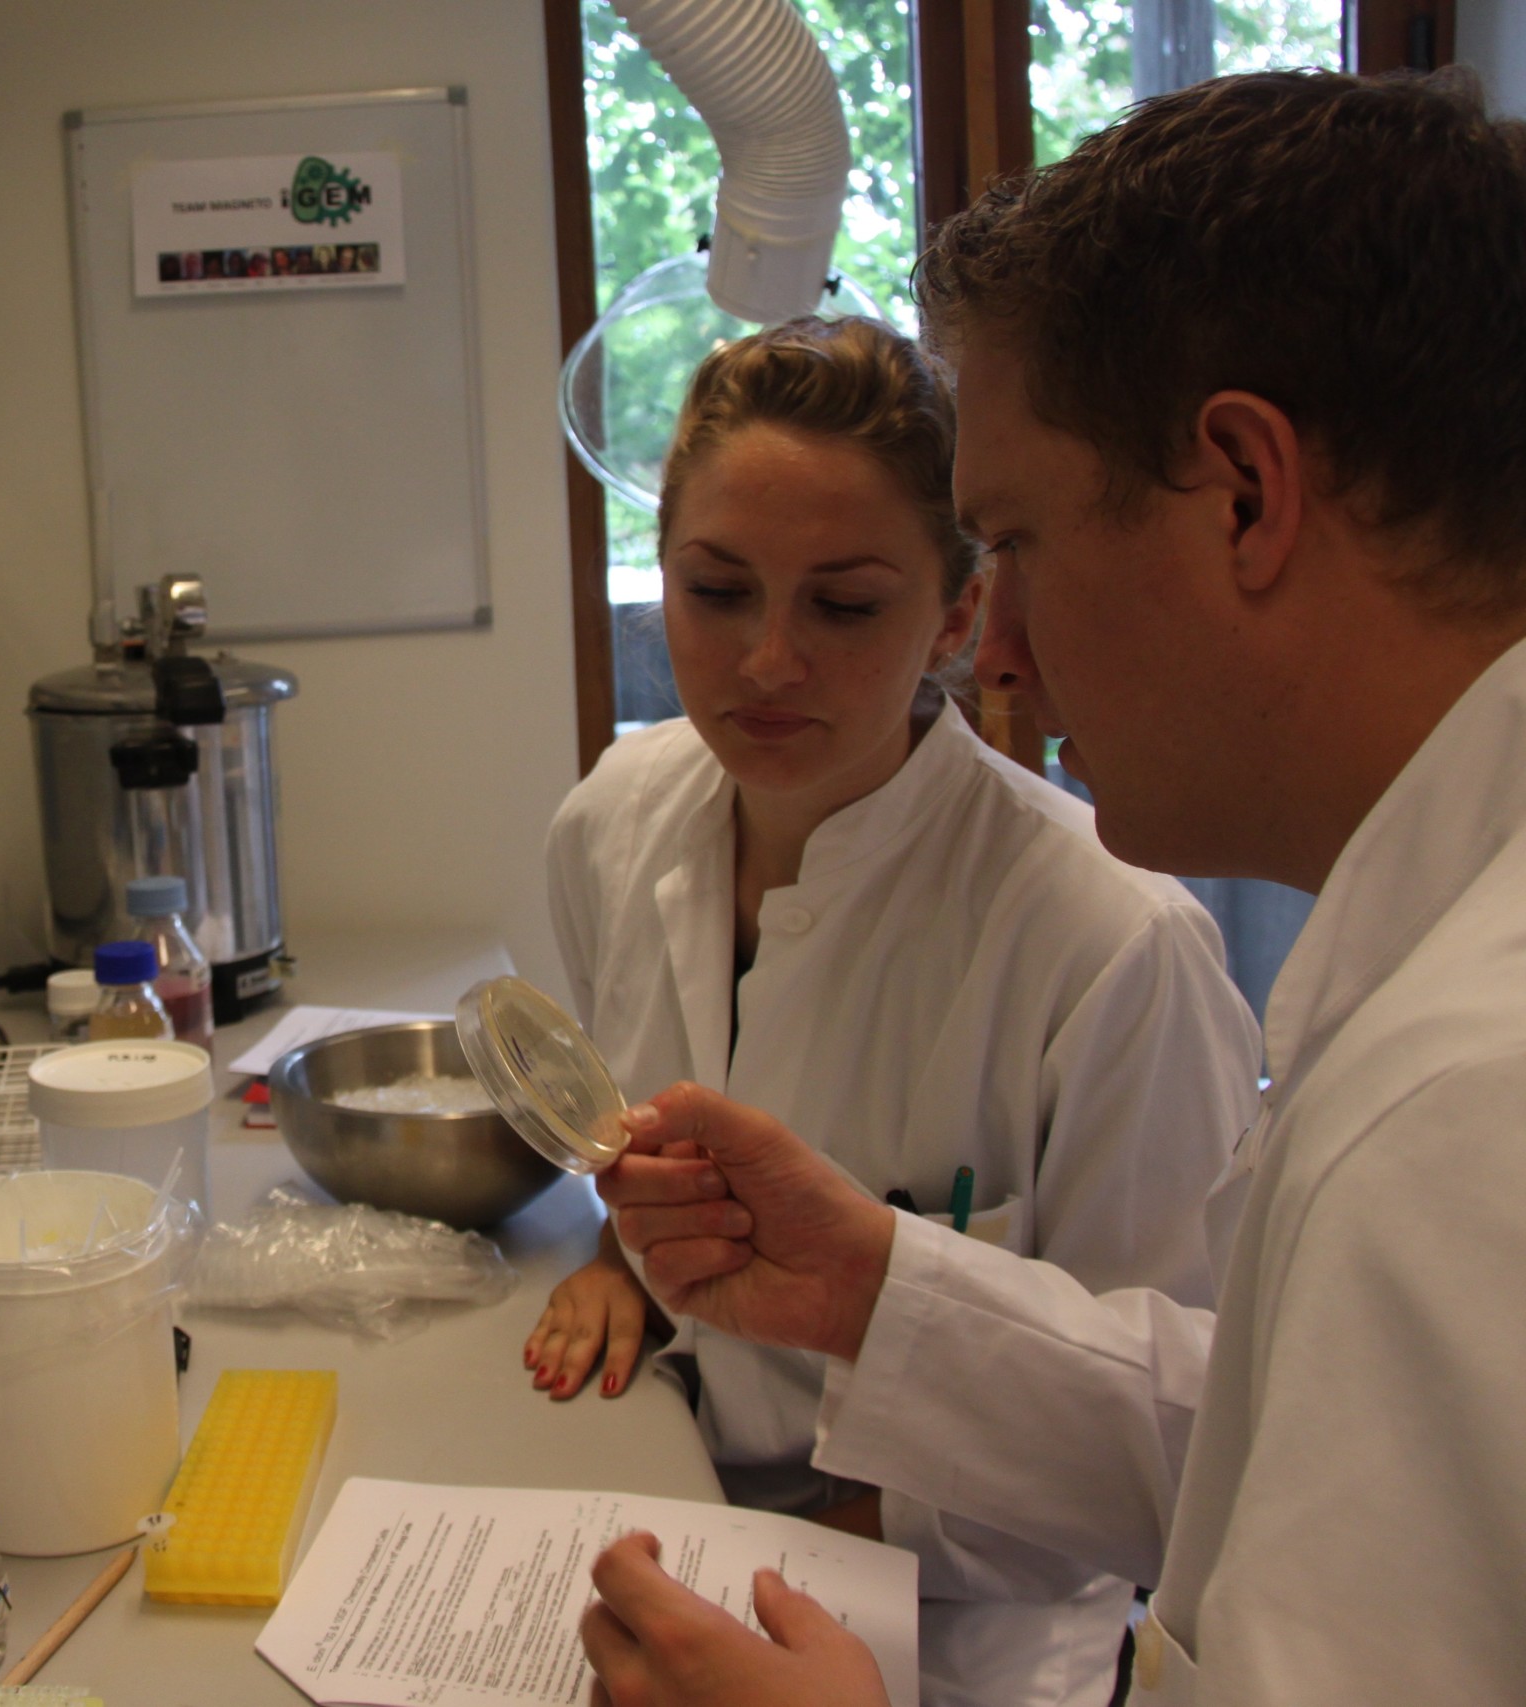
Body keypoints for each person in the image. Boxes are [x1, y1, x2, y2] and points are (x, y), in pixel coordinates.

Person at [579, 67, 1526, 1706]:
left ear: (1245, 494)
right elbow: (1250, 1429)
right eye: (716, 589)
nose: (996, 648)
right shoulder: (1440, 981)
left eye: (1011, 542)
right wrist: (883, 1287)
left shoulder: (1463, 1113)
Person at [531, 317, 1261, 1707]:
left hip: (967, 1627)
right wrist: (624, 1256)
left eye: (845, 605)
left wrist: (796, 1553)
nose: (765, 663)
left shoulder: (1112, 941)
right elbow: (619, 1125)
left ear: (960, 613)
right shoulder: (610, 825)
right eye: (716, 589)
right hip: (677, 1493)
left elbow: (1191, 1441)